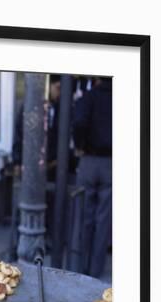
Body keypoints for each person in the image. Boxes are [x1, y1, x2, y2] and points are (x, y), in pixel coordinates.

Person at [73, 76, 112, 278]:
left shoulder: (89, 97)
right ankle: (95, 271)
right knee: (103, 220)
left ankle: (82, 266)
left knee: (84, 216)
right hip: (110, 162)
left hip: (89, 159)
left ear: (96, 78)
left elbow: (79, 122)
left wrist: (80, 145)